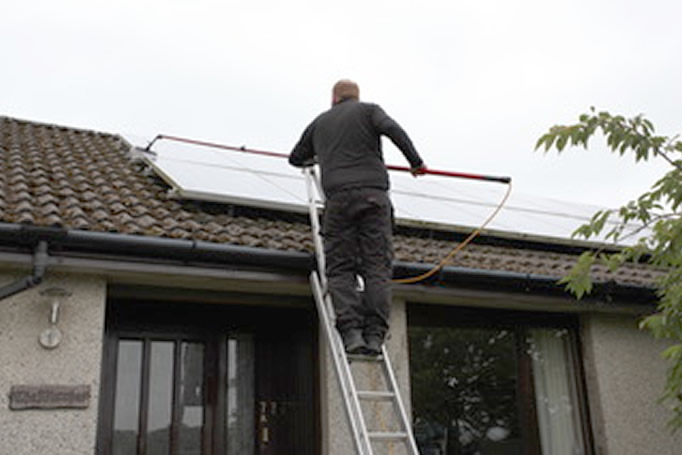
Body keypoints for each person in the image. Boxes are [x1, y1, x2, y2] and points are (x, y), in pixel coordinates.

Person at [289, 79, 426, 355]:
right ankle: (375, 336)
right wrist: (416, 162)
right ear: (356, 96)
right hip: (374, 198)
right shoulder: (370, 111)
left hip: (338, 200)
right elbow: (393, 129)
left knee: (340, 268)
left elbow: (295, 157)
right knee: (376, 267)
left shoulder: (320, 122)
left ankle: (351, 333)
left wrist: (320, 157)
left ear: (333, 98)